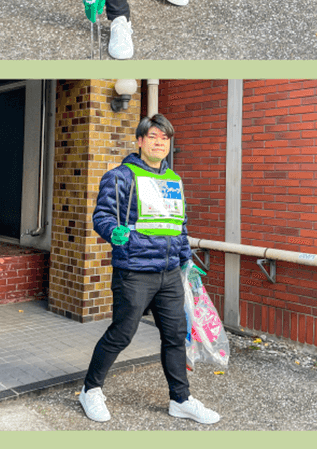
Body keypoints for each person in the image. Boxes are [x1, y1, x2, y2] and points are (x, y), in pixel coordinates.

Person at [80, 114, 220, 425]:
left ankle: (180, 399)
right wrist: (112, 232)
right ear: (140, 141)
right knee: (122, 333)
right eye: (153, 136)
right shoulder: (120, 177)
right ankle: (90, 390)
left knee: (174, 335)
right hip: (135, 270)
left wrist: (186, 260)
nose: (160, 143)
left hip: (169, 273)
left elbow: (178, 226)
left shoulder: (173, 181)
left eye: (165, 138)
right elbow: (102, 216)